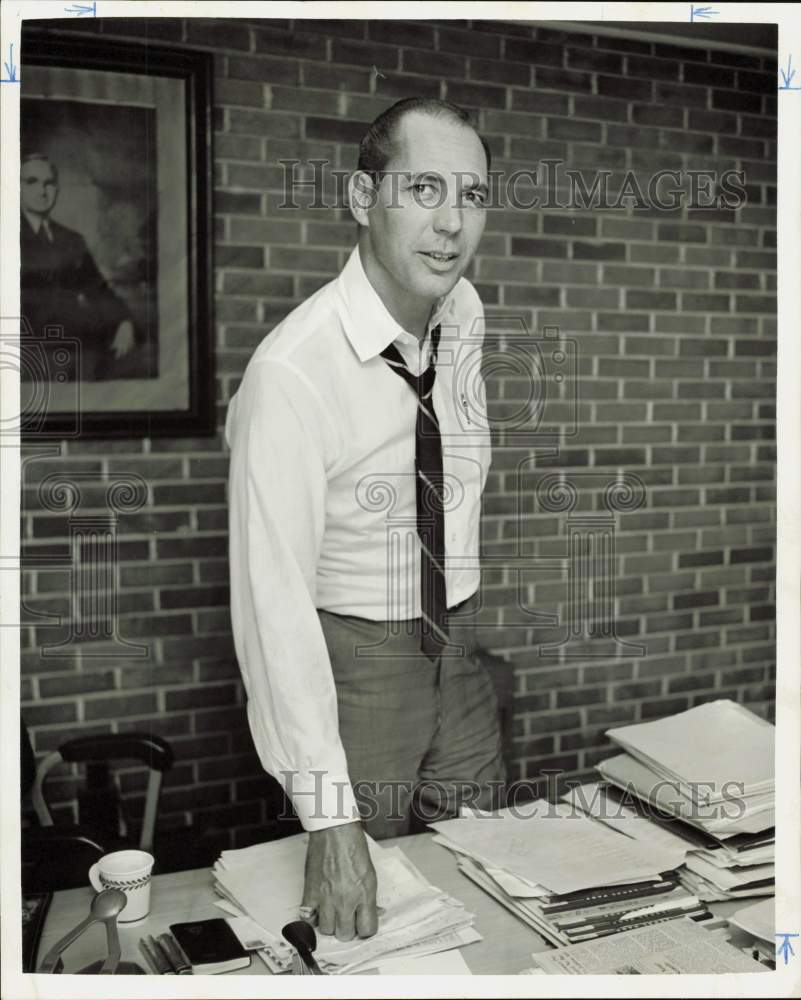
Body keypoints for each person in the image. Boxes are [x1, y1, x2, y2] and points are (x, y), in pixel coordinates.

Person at [226, 98, 503, 943]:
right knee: (372, 926)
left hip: (453, 645)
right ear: (360, 198)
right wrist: (328, 814)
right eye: (422, 188)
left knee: (488, 885)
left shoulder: (463, 316)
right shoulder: (291, 374)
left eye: (472, 195)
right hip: (351, 665)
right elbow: (271, 606)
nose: (451, 223)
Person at [20, 153, 135, 380]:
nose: (43, 191)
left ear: (57, 190)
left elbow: (98, 289)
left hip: (74, 350)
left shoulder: (71, 239)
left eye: (49, 184)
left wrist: (124, 321)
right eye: (32, 182)